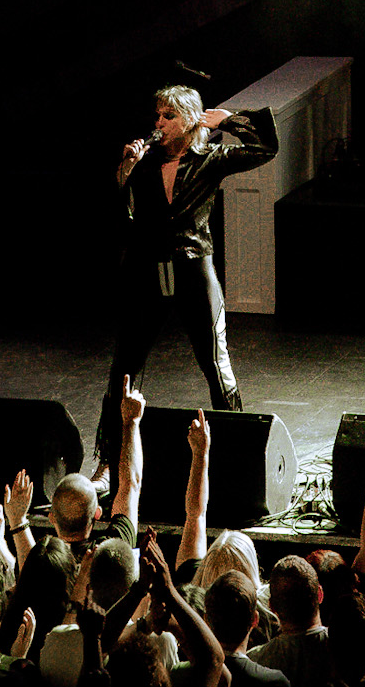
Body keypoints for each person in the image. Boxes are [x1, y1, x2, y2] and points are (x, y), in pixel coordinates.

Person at [94, 85, 276, 485]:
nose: (159, 123)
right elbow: (125, 218)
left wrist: (229, 120)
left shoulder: (210, 157)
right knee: (125, 365)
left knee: (216, 363)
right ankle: (109, 461)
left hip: (194, 268)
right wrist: (125, 172)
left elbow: (265, 148)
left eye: (169, 116)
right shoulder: (146, 162)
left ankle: (238, 457)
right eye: (158, 115)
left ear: (191, 119)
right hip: (148, 269)